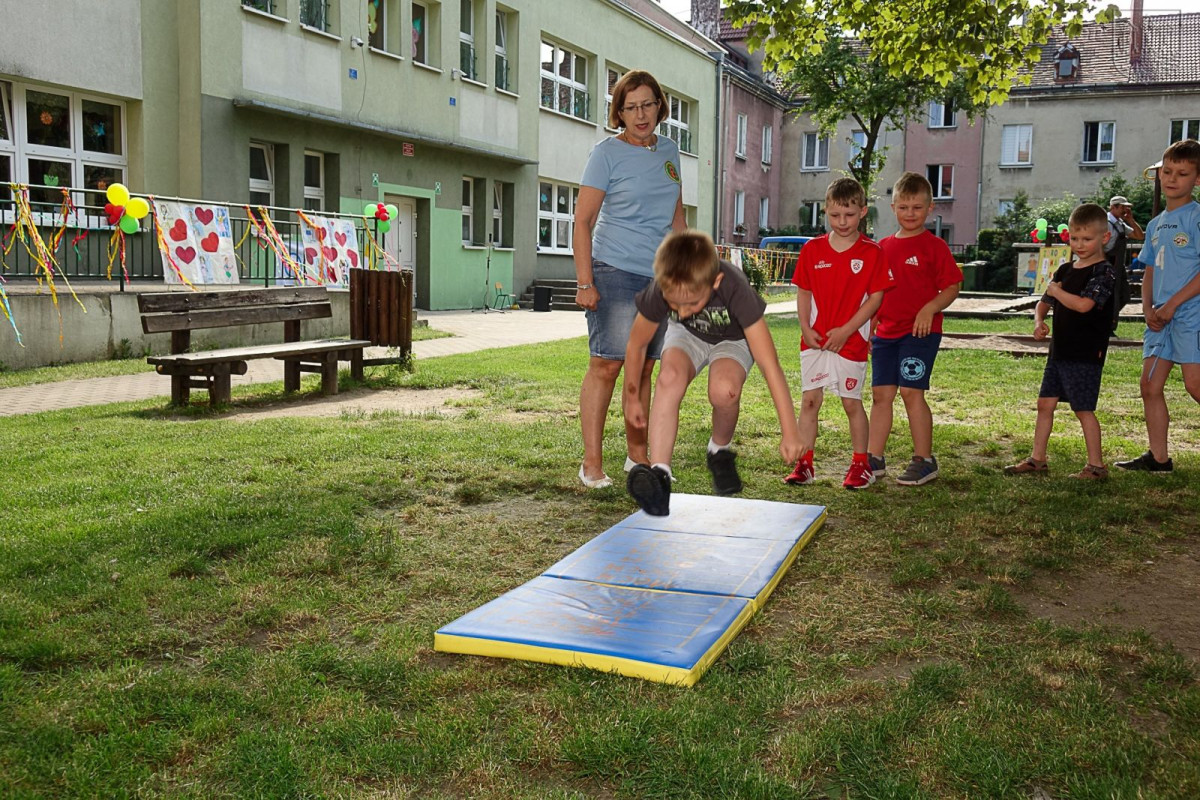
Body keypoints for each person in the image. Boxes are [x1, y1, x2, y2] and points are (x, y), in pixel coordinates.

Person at [623, 230, 803, 516]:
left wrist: (791, 431)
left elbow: (770, 365)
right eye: (674, 304)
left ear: (715, 281)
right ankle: (660, 477)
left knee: (724, 390)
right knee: (668, 378)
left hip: (733, 337)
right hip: (687, 337)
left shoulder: (734, 287)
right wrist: (632, 398)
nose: (681, 311)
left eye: (691, 303)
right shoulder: (666, 285)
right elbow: (637, 344)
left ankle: (719, 451)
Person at [573, 70, 685, 489]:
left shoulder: (669, 151)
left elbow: (676, 217)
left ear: (660, 106)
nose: (640, 114)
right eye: (631, 107)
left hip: (656, 276)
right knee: (607, 364)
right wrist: (585, 282)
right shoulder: (606, 154)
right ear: (619, 112)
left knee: (643, 370)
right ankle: (591, 464)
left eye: (648, 104)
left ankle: (638, 456)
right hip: (614, 269)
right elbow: (582, 222)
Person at [785, 177, 894, 490]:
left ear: (862, 212)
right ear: (826, 213)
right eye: (835, 215)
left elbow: (876, 298)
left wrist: (847, 331)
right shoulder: (812, 250)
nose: (842, 222)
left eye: (849, 214)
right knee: (809, 402)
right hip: (816, 341)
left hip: (851, 342)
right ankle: (804, 463)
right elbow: (804, 292)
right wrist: (805, 327)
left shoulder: (872, 253)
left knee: (850, 402)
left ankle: (861, 465)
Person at [1004, 203, 1116, 479]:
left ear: (1104, 238)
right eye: (1075, 238)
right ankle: (1037, 459)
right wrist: (1039, 321)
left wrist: (1056, 291)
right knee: (1045, 404)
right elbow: (1044, 303)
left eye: (1087, 239)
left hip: (1085, 353)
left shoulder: (1104, 272)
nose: (1079, 244)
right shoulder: (1065, 270)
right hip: (1059, 351)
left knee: (1083, 408)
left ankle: (1096, 466)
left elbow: (1083, 305)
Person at [867, 172, 963, 486]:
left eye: (917, 208)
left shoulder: (934, 246)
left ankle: (924, 459)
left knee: (911, 392)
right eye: (904, 207)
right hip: (886, 335)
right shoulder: (882, 247)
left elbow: (952, 285)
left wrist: (930, 307)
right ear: (893, 207)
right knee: (881, 395)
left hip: (920, 334)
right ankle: (873, 458)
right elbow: (877, 291)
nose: (910, 213)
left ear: (929, 208)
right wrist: (872, 320)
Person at [1116, 138, 1200, 472]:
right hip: (1159, 319)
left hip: (1190, 315)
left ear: (1197, 179)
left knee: (1194, 385)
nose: (1172, 178)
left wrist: (1174, 305)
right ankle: (1159, 458)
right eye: (1167, 171)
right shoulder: (1153, 225)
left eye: (1182, 173)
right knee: (1150, 386)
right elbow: (1149, 270)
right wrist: (1148, 308)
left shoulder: (1196, 218)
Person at [1105, 195, 1143, 331]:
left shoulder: (1120, 224)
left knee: (1124, 295)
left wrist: (1131, 220)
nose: (1125, 210)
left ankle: (1108, 320)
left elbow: (1139, 236)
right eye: (1122, 207)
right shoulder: (1105, 223)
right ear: (1113, 207)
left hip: (1118, 266)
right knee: (1110, 297)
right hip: (1107, 264)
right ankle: (1107, 326)